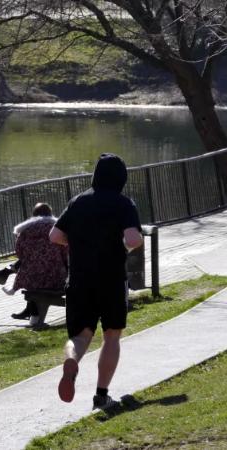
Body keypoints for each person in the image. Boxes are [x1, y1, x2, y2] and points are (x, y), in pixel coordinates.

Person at [50, 153, 143, 410]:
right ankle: (101, 395)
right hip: (111, 279)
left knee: (80, 337)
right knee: (111, 336)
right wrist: (125, 246)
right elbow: (133, 240)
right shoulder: (124, 204)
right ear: (121, 178)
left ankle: (72, 362)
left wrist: (78, 242)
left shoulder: (78, 201)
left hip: (79, 279)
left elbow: (55, 235)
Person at [0, 203, 68, 327]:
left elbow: (19, 253)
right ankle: (33, 316)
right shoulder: (57, 228)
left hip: (31, 278)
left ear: (34, 215)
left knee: (31, 271)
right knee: (48, 272)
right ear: (50, 214)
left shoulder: (25, 230)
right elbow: (65, 250)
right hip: (55, 278)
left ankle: (31, 314)